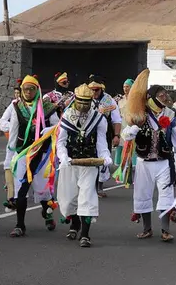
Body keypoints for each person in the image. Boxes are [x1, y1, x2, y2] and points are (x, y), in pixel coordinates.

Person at [122, 83, 176, 242]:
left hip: (164, 162)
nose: (165, 98)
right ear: (152, 97)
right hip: (144, 162)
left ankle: (165, 231)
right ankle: (146, 229)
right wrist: (134, 129)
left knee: (166, 195)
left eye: (165, 95)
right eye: (161, 95)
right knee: (143, 194)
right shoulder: (140, 113)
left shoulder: (170, 114)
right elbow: (125, 135)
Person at [55, 84, 112, 248]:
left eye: (87, 102)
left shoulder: (98, 119)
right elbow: (61, 142)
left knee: (87, 197)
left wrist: (105, 156)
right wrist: (63, 157)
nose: (84, 106)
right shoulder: (67, 116)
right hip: (71, 163)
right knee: (68, 198)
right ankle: (74, 224)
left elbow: (101, 142)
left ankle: (85, 235)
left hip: (89, 163)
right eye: (81, 102)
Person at [4, 75, 60, 237]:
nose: (28, 92)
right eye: (25, 89)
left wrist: (49, 131)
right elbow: (13, 131)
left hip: (42, 155)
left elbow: (58, 127)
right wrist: (10, 156)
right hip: (22, 153)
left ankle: (47, 212)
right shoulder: (16, 107)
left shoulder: (48, 107)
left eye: (32, 89)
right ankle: (20, 224)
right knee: (21, 190)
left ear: (37, 90)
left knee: (42, 190)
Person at [88, 75, 122, 198]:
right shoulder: (85, 97)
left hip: (104, 134)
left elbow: (116, 119)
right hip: (87, 134)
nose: (94, 92)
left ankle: (99, 186)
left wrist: (117, 136)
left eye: (96, 90)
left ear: (101, 89)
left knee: (103, 160)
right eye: (92, 89)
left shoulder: (109, 100)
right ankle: (89, 186)